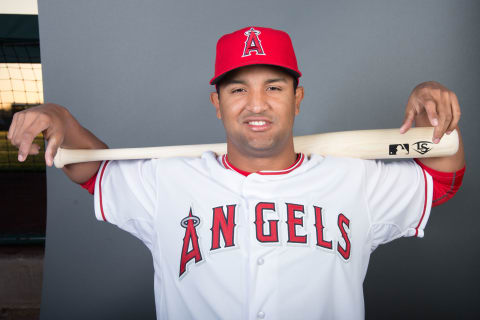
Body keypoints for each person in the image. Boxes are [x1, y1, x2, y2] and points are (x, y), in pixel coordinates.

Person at [8, 26, 465, 319]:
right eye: (238, 88)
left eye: (274, 86)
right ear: (218, 103)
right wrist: (61, 117)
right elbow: (91, 170)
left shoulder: (354, 180)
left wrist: (431, 111)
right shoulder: (166, 181)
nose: (257, 104)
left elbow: (443, 178)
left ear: (297, 97)